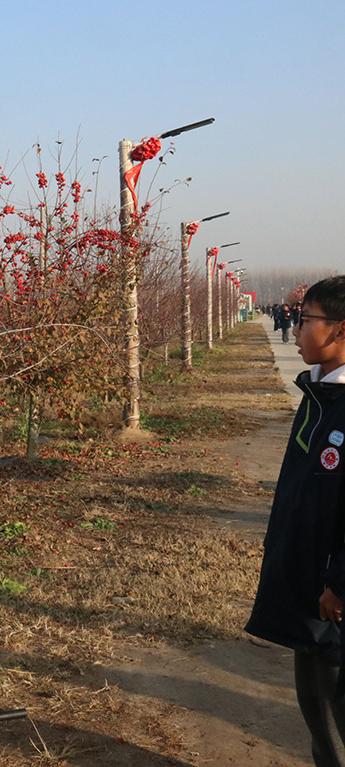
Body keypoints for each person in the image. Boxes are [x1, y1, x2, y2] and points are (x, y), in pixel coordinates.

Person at [246, 275, 345, 767]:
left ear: (341, 330)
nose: (297, 329)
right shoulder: (320, 398)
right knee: (318, 711)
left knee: (334, 715)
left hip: (334, 600)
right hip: (314, 588)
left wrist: (340, 583)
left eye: (306, 320)